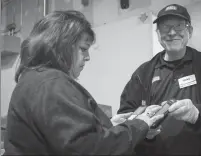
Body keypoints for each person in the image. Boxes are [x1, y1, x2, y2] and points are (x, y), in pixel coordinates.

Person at [3, 10, 164, 155]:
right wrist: (140, 125)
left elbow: (64, 134)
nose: (88, 57)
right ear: (61, 46)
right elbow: (91, 148)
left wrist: (106, 125)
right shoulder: (52, 83)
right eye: (83, 48)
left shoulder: (35, 79)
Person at [117, 4, 201, 155]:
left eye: (179, 26)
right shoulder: (143, 73)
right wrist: (142, 126)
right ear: (158, 33)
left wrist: (197, 113)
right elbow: (127, 113)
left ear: (190, 31)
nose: (172, 32)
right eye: (165, 27)